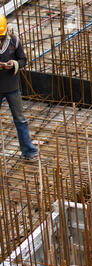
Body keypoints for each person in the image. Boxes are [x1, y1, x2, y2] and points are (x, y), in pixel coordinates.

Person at [0, 15, 38, 161]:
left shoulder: (14, 41)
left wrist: (14, 64)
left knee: (20, 120)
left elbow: (23, 60)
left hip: (12, 87)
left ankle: (29, 151)